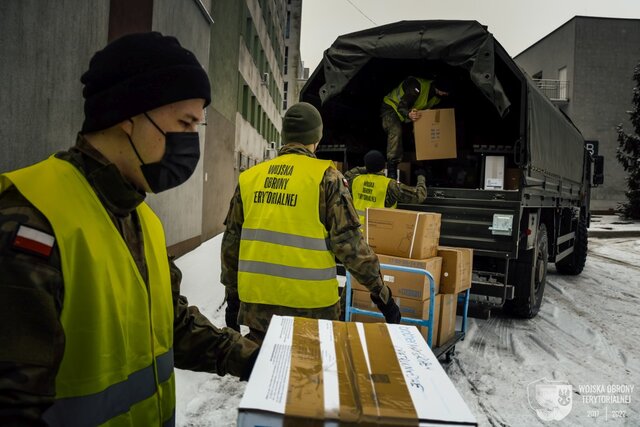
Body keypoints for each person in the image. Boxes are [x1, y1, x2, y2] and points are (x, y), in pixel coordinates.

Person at [0, 32, 259, 426]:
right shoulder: (31, 221)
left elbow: (168, 326)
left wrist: (257, 359)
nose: (192, 142)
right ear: (128, 115)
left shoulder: (142, 218)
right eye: (185, 123)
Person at [221, 102, 401, 344]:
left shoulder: (250, 178)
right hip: (313, 311)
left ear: (284, 136)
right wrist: (383, 296)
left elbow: (232, 243)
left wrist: (232, 299)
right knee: (311, 379)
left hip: (258, 310)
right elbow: (350, 246)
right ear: (317, 137)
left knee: (268, 377)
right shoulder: (326, 179)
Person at [381, 76, 451, 179]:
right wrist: (409, 114)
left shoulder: (436, 98)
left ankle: (426, 169)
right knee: (396, 132)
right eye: (444, 92)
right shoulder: (416, 86)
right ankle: (392, 170)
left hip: (409, 115)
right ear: (439, 88)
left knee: (425, 133)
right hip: (392, 108)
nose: (445, 95)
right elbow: (401, 107)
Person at [344, 150, 427, 226]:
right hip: (379, 232)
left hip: (357, 232)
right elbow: (419, 196)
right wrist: (421, 177)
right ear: (383, 165)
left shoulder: (356, 180)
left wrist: (368, 167)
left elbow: (347, 175)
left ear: (366, 165)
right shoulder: (390, 185)